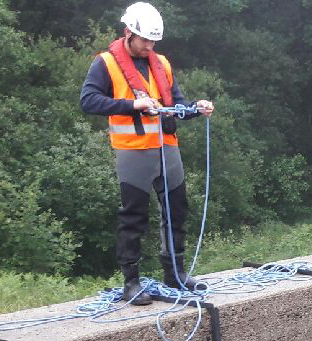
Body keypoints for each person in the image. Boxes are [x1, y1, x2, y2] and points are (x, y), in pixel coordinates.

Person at [81, 2, 214, 306]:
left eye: (154, 41)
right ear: (128, 33)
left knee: (177, 211)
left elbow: (176, 105)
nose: (149, 46)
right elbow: (88, 101)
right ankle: (131, 282)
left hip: (167, 148)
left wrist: (197, 108)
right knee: (134, 217)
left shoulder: (162, 64)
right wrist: (131, 105)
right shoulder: (105, 63)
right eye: (145, 40)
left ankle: (175, 274)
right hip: (133, 151)